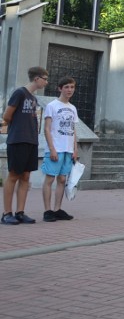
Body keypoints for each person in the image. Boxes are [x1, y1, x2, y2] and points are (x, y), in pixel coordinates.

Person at [2, 67, 48, 225]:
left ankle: (20, 212)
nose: (46, 82)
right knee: (14, 175)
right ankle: (6, 213)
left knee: (26, 177)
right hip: (18, 140)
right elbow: (7, 115)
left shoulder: (33, 98)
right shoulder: (20, 93)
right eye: (45, 78)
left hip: (31, 141)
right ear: (36, 79)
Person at [42, 76, 79, 222]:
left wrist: (75, 149)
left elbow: (73, 129)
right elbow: (47, 128)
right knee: (50, 178)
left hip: (68, 149)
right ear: (60, 89)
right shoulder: (52, 106)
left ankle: (57, 209)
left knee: (62, 179)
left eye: (72, 87)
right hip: (56, 147)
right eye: (66, 87)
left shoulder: (73, 108)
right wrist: (52, 148)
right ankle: (47, 210)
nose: (69, 90)